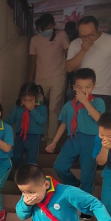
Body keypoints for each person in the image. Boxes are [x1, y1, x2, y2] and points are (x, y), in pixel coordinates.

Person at [46, 68, 105, 221]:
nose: (84, 90)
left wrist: (85, 101)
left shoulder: (98, 102)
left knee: (87, 175)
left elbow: (99, 119)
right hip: (73, 138)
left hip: (91, 140)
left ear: (93, 86)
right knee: (59, 166)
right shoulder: (68, 105)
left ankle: (86, 209)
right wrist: (54, 142)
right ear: (73, 87)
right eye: (79, 87)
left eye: (87, 87)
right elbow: (64, 124)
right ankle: (73, 183)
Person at [66, 16, 111, 111]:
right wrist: (83, 50)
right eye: (83, 36)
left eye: (90, 35)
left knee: (97, 118)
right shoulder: (75, 44)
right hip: (80, 90)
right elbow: (69, 68)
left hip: (104, 91)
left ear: (97, 29)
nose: (87, 39)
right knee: (71, 115)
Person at [27, 13, 70, 142]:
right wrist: (29, 80)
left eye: (48, 27)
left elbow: (69, 54)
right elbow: (33, 61)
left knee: (54, 108)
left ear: (53, 24)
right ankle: (42, 133)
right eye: (43, 28)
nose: (45, 30)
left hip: (58, 77)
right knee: (39, 107)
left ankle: (52, 137)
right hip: (40, 79)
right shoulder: (35, 40)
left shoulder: (61, 35)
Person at [5, 83, 48, 170]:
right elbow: (11, 119)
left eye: (30, 100)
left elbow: (42, 121)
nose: (27, 103)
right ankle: (21, 172)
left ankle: (29, 174)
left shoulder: (41, 107)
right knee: (15, 156)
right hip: (20, 135)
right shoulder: (18, 107)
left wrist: (32, 110)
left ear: (36, 97)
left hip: (35, 136)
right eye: (24, 100)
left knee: (31, 161)